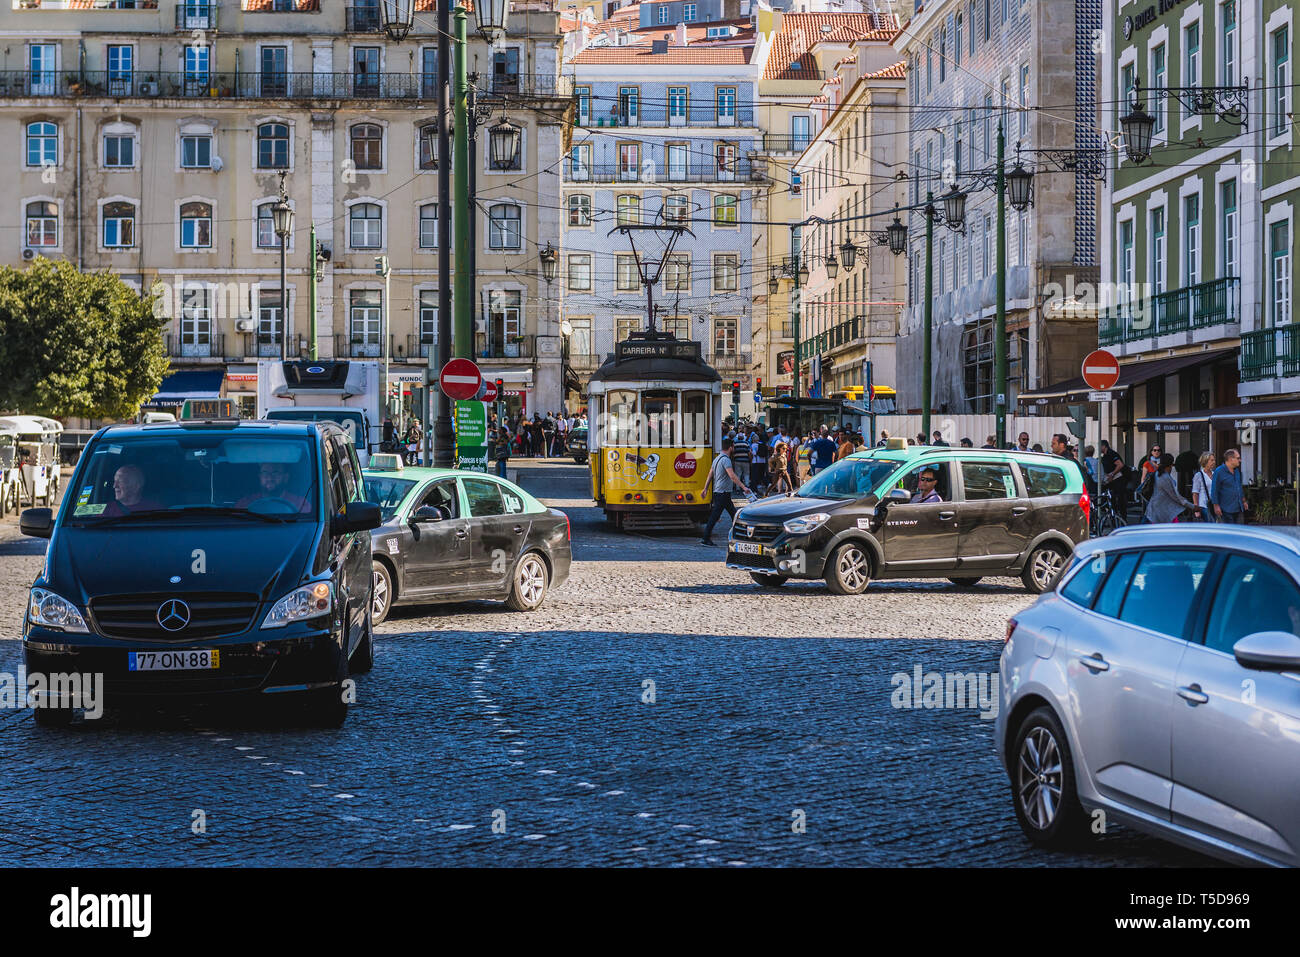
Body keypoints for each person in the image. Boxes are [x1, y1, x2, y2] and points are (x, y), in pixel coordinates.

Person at [700, 437, 752, 545]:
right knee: (715, 517)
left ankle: (742, 535)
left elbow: (710, 474)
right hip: (723, 493)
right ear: (731, 447)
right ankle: (705, 538)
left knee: (734, 514)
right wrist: (744, 487)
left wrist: (705, 488)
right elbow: (732, 476)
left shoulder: (717, 459)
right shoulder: (726, 460)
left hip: (721, 493)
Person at [237, 461, 309, 512]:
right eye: (265, 473)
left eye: (276, 473)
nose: (269, 478)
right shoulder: (245, 503)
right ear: (260, 477)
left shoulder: (300, 504)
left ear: (285, 477)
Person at [1145, 453, 1194, 524]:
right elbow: (1175, 496)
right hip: (1163, 512)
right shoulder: (1164, 477)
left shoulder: (1159, 474)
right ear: (1170, 465)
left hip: (1159, 510)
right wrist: (1192, 506)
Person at [1212, 448, 1248, 523]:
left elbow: (1239, 487)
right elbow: (1214, 490)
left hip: (1238, 508)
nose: (1240, 460)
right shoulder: (1219, 471)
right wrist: (1216, 506)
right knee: (1229, 532)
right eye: (1238, 458)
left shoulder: (1237, 471)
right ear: (1231, 459)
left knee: (1240, 532)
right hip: (1226, 509)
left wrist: (1244, 501)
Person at [1191, 451, 1216, 522]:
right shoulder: (1199, 475)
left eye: (1214, 460)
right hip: (1204, 506)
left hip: (1213, 505)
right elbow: (1195, 493)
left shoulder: (1215, 474)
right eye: (1211, 460)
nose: (1214, 462)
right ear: (1205, 461)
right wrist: (1197, 510)